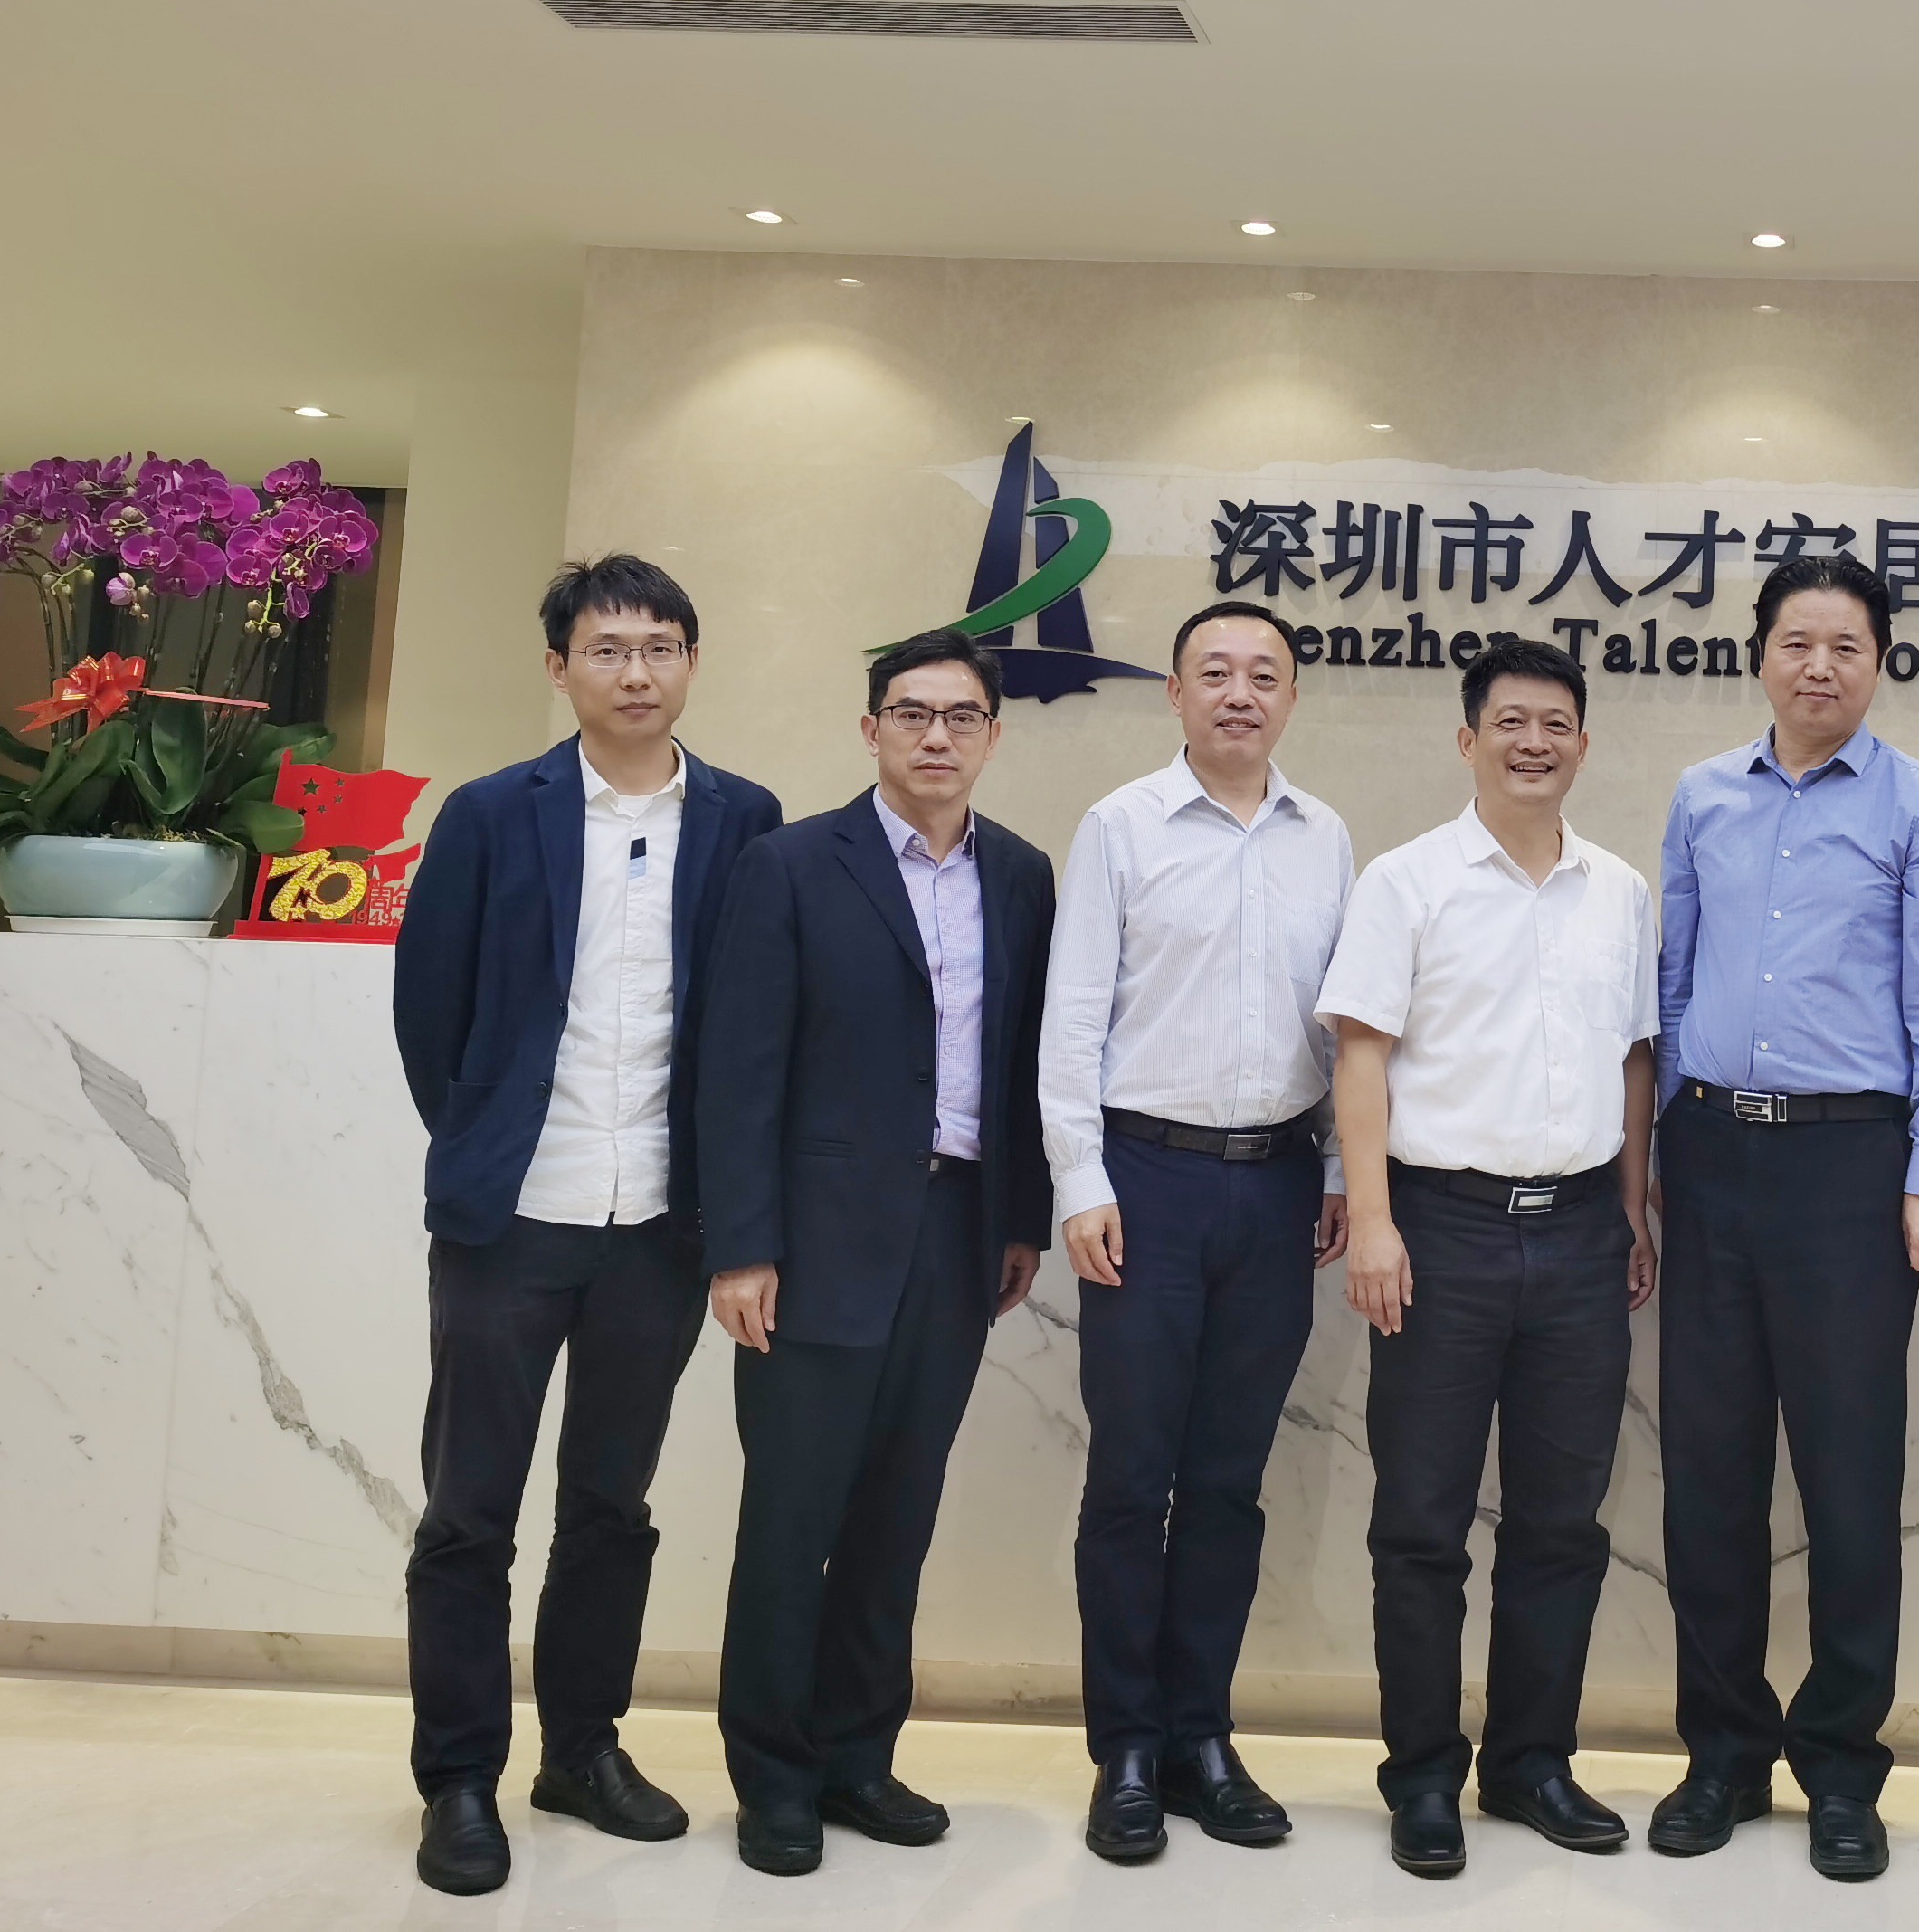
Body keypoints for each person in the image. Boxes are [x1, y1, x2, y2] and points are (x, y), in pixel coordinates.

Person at [390, 555, 782, 1896]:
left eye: (661, 647)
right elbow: (431, 1017)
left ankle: (582, 1750)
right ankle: (459, 1778)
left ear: (691, 664)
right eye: (608, 649)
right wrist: (487, 1141)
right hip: (512, 1218)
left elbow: (745, 1025)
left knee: (612, 1506)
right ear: (559, 667)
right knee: (469, 1512)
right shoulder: (490, 814)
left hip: (658, 1227)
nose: (637, 672)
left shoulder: (744, 819)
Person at [694, 629, 1055, 1877]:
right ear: (871, 730)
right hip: (814, 1244)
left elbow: (1024, 1060)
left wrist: (1019, 1218)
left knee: (897, 1515)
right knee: (793, 1517)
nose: (937, 737)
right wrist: (742, 1247)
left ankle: (857, 1754)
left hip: (958, 1237)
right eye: (912, 714)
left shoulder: (1023, 875)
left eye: (962, 716)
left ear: (993, 735)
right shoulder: (791, 865)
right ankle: (772, 1774)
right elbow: (737, 1067)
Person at [1650, 553, 1919, 1881]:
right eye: (1798, 642)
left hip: (1853, 1166)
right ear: (1761, 655)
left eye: (1847, 646)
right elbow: (1673, 982)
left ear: (1879, 663)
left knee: (1850, 1483)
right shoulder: (1701, 796)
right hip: (1709, 1152)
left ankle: (1843, 1766)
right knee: (1708, 1474)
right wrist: (1656, 1152)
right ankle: (1724, 1754)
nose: (1820, 667)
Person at [1315, 636, 1659, 1880]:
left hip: (1581, 1233)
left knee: (1563, 1522)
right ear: (1468, 740)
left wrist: (1633, 1212)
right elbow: (1361, 1055)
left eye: (1555, 724)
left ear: (1583, 745)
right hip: (1440, 1230)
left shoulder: (1620, 890)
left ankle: (1530, 1761)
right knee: (1421, 1522)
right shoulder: (1406, 881)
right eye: (1510, 721)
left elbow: (1635, 1062)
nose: (1533, 743)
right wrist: (1371, 1219)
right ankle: (1421, 1775)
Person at [1038, 603, 1354, 1862]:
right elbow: (1072, 1016)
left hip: (1275, 1187)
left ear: (1291, 699)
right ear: (1174, 694)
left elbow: (1342, 1026)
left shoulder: (1326, 837)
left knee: (1228, 1481)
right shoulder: (1120, 827)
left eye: (1264, 675)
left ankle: (1200, 1738)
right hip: (1146, 1184)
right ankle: (1125, 1747)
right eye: (1214, 672)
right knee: (1132, 1477)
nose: (1239, 693)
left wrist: (1338, 1166)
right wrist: (1079, 1179)